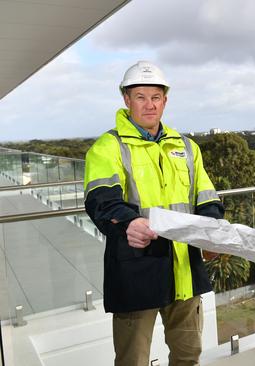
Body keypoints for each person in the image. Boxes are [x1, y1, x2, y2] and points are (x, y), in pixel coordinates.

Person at [84, 61, 224, 366]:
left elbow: (206, 197)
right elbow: (101, 201)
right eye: (140, 97)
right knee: (133, 360)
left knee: (188, 357)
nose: (150, 105)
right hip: (137, 270)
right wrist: (128, 223)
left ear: (165, 100)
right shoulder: (108, 147)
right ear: (126, 99)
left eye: (156, 97)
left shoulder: (186, 147)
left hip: (184, 270)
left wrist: (213, 232)